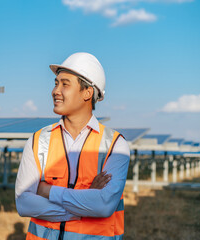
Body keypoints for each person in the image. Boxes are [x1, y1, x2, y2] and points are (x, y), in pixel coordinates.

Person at [15, 52, 130, 240]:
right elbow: (24, 204)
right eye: (55, 83)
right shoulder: (38, 141)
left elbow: (103, 206)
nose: (55, 91)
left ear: (87, 92)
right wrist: (83, 204)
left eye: (65, 84)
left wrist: (47, 191)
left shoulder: (115, 145)